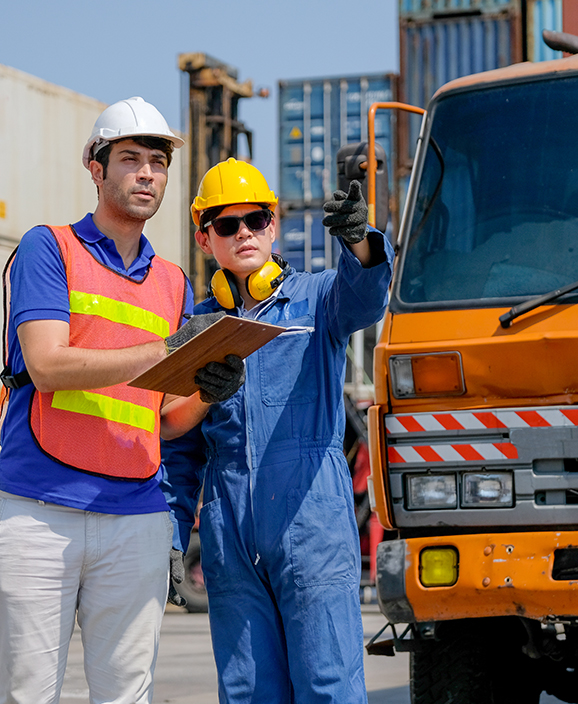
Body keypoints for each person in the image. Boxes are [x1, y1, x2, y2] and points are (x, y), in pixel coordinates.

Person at [0, 97, 244, 704]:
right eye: (130, 159)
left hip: (136, 512)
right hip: (39, 509)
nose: (145, 173)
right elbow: (48, 365)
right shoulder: (47, 248)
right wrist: (165, 348)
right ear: (95, 167)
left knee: (127, 696)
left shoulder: (173, 282)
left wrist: (208, 394)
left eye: (157, 163)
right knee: (28, 693)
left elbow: (163, 417)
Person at [161, 157, 394, 702]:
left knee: (327, 684)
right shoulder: (197, 328)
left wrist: (359, 240)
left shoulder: (317, 300)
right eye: (225, 223)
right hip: (229, 532)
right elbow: (179, 449)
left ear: (274, 223)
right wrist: (173, 536)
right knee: (248, 690)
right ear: (203, 236)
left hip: (310, 520)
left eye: (256, 219)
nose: (243, 232)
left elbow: (365, 296)